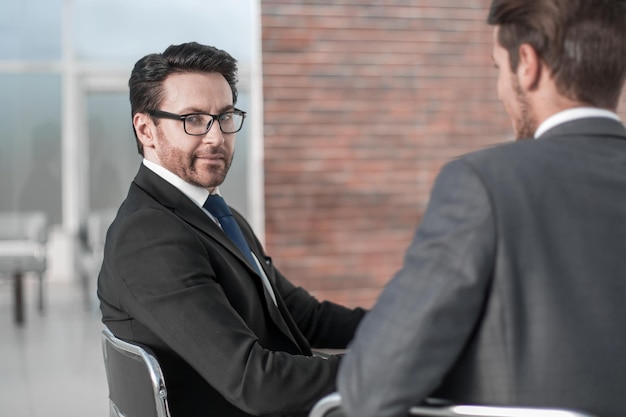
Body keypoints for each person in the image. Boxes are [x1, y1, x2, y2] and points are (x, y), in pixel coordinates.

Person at [337, 1, 626, 417]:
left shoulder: (484, 182)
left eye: (497, 69)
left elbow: (371, 385)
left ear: (527, 63)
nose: (500, 89)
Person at [97, 42, 366, 417]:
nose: (216, 137)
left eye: (224, 117)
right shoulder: (148, 236)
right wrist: (399, 365)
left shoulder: (218, 215)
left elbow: (302, 317)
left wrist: (410, 330)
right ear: (147, 130)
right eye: (192, 119)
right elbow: (256, 383)